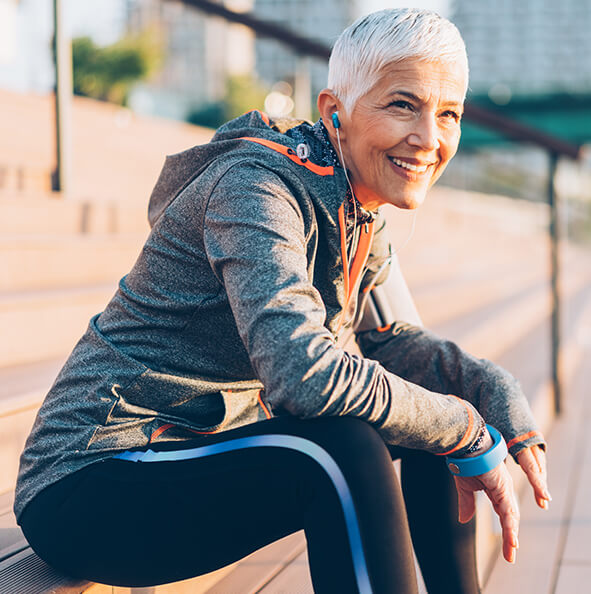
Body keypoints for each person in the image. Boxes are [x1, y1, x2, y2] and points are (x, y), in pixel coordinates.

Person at [15, 8, 549, 594]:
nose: (428, 137)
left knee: (426, 414)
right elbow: (305, 377)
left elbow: (387, 345)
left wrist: (488, 391)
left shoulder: (356, 205)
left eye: (448, 114)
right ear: (334, 112)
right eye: (403, 104)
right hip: (95, 478)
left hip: (195, 451)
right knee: (344, 447)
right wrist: (466, 428)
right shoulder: (257, 187)